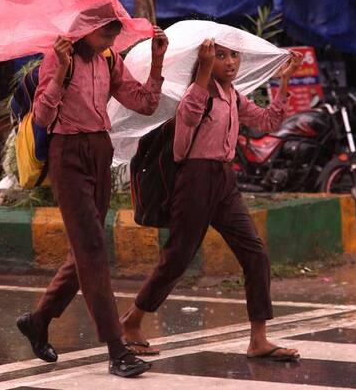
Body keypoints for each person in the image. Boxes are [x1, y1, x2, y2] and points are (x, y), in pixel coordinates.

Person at [120, 39, 303, 361]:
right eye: (220, 56)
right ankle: (131, 321)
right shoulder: (197, 95)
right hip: (195, 180)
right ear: (206, 60)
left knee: (255, 254)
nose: (230, 62)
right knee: (178, 257)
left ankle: (258, 339)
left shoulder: (232, 95)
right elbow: (188, 120)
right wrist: (204, 71)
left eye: (234, 55)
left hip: (224, 180)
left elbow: (266, 122)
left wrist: (285, 81)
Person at [16, 17, 168, 378]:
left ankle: (38, 320)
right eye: (105, 32)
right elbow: (42, 115)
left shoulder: (109, 60)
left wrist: (158, 62)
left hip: (100, 150)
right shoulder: (59, 58)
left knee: (87, 248)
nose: (110, 39)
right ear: (85, 28)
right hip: (68, 155)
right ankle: (117, 350)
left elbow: (144, 103)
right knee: (93, 248)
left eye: (115, 33)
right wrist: (61, 71)